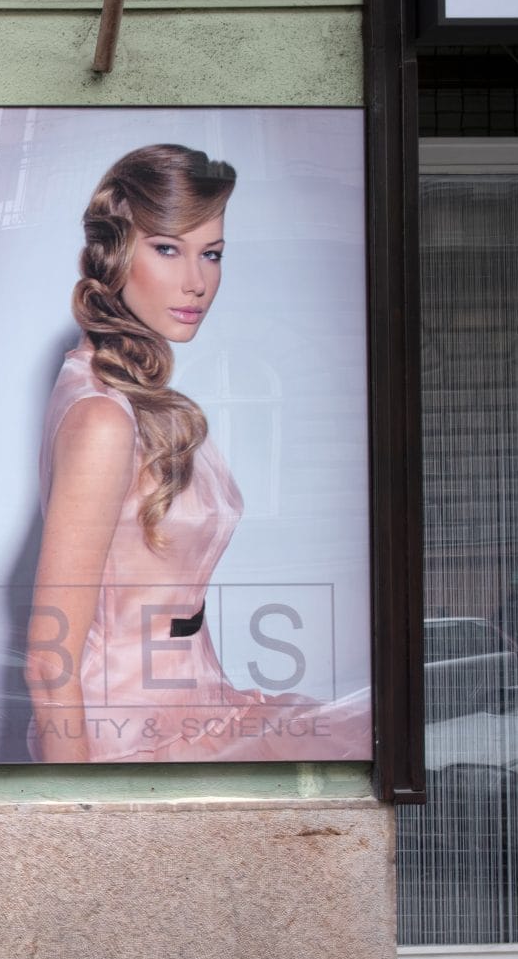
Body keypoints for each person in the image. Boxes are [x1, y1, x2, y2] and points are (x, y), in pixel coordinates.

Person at [25, 143, 369, 763]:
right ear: (116, 250)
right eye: (167, 248)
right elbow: (49, 666)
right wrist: (76, 821)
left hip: (195, 709)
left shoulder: (135, 401)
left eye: (211, 254)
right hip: (127, 736)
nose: (198, 281)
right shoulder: (104, 417)